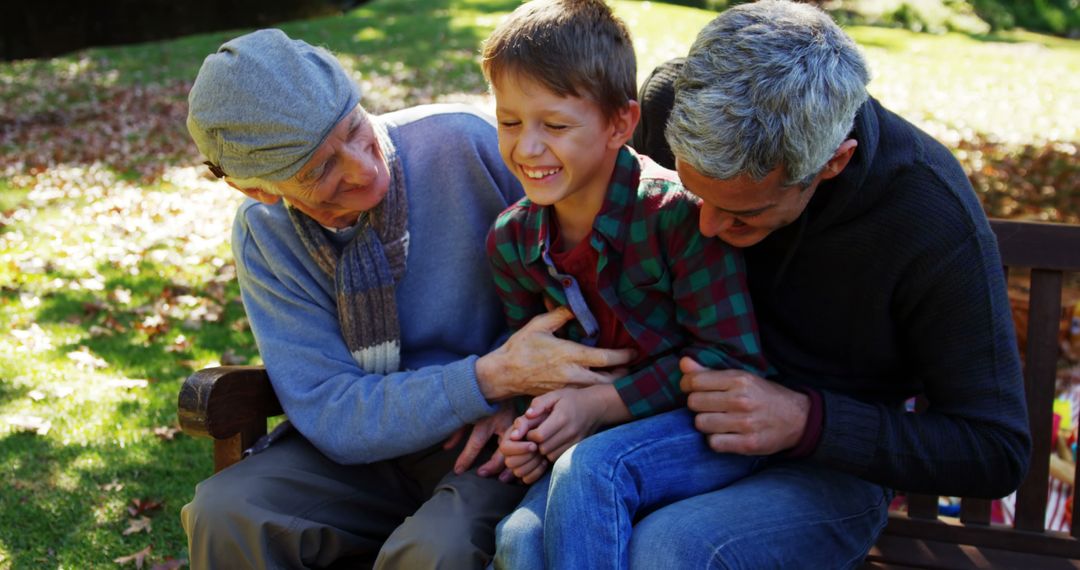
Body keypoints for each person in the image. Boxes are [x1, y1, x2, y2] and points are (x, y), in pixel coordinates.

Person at [524, 1, 1032, 568]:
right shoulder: (674, 104)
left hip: (827, 469)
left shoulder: (930, 219)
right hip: (674, 425)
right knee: (524, 539)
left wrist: (805, 419)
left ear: (833, 164)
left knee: (670, 549)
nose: (708, 227)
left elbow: (995, 449)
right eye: (694, 196)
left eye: (745, 215)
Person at [178, 28, 635, 569]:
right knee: (225, 509)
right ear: (258, 189)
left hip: (495, 441)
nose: (363, 169)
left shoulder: (464, 144)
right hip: (370, 448)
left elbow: (594, 283)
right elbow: (330, 409)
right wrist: (489, 379)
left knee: (432, 551)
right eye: (320, 169)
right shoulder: (266, 231)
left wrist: (515, 399)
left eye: (355, 128)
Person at [479, 2, 771, 568]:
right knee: (517, 540)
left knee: (595, 470)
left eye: (556, 125)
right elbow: (532, 370)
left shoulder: (677, 217)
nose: (528, 147)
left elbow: (730, 359)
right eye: (509, 122)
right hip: (584, 450)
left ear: (620, 123)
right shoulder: (513, 241)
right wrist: (532, 430)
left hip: (701, 436)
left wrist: (602, 404)